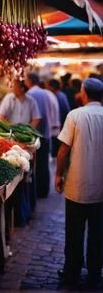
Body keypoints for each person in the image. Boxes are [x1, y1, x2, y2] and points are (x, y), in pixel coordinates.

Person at [55, 78, 103, 289]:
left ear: (83, 93)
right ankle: (94, 274)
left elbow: (64, 151)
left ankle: (72, 273)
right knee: (98, 234)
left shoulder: (75, 115)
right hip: (101, 188)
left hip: (77, 185)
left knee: (73, 233)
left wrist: (58, 174)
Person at [25, 73, 51, 198]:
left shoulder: (31, 94)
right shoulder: (44, 92)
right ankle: (44, 190)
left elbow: (37, 117)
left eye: (25, 79)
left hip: (37, 134)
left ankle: (40, 192)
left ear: (29, 80)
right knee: (43, 165)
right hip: (45, 133)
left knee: (38, 166)